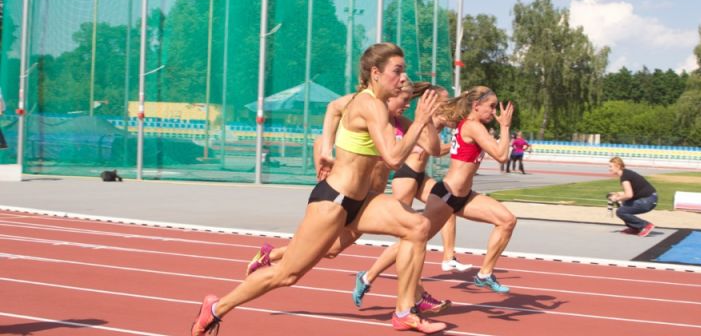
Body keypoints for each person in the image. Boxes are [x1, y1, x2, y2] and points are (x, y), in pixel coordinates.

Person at [190, 43, 447, 335]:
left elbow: (424, 148)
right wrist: (421, 122)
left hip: (362, 201)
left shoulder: (386, 110)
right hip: (333, 202)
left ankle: (404, 312)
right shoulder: (368, 104)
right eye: (397, 71)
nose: (403, 78)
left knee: (417, 226)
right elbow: (393, 157)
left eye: (404, 71)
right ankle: (215, 308)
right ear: (376, 73)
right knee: (287, 274)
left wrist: (427, 121)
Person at [352, 85, 518, 306]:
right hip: (447, 196)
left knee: (507, 220)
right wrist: (505, 127)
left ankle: (484, 274)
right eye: (491, 106)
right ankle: (367, 276)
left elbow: (442, 142)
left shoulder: (468, 125)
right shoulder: (473, 126)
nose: (494, 111)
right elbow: (501, 155)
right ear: (476, 107)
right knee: (412, 237)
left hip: (464, 196)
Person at [607, 156, 657, 237]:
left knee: (621, 211)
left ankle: (645, 225)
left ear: (618, 166)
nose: (609, 169)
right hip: (650, 199)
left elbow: (629, 195)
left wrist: (616, 198)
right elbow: (631, 192)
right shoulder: (626, 173)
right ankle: (635, 228)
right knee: (623, 205)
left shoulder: (625, 177)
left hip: (648, 201)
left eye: (610, 166)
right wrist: (619, 194)